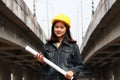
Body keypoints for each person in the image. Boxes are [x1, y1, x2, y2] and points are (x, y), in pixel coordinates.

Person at [34, 14, 83, 80]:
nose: (59, 29)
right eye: (56, 27)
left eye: (62, 27)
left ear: (66, 29)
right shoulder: (47, 46)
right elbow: (44, 70)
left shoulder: (73, 46)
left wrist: (72, 72)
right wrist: (41, 62)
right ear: (53, 28)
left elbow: (79, 65)